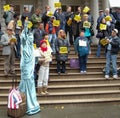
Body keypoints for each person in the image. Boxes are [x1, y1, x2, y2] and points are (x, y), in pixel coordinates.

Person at [19, 20, 40, 115]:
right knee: (26, 80)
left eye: (29, 25)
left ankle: (31, 104)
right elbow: (23, 39)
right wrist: (25, 29)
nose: (28, 27)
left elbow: (31, 42)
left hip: (31, 58)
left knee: (30, 81)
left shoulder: (31, 35)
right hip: (25, 62)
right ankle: (25, 104)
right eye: (26, 25)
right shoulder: (23, 37)